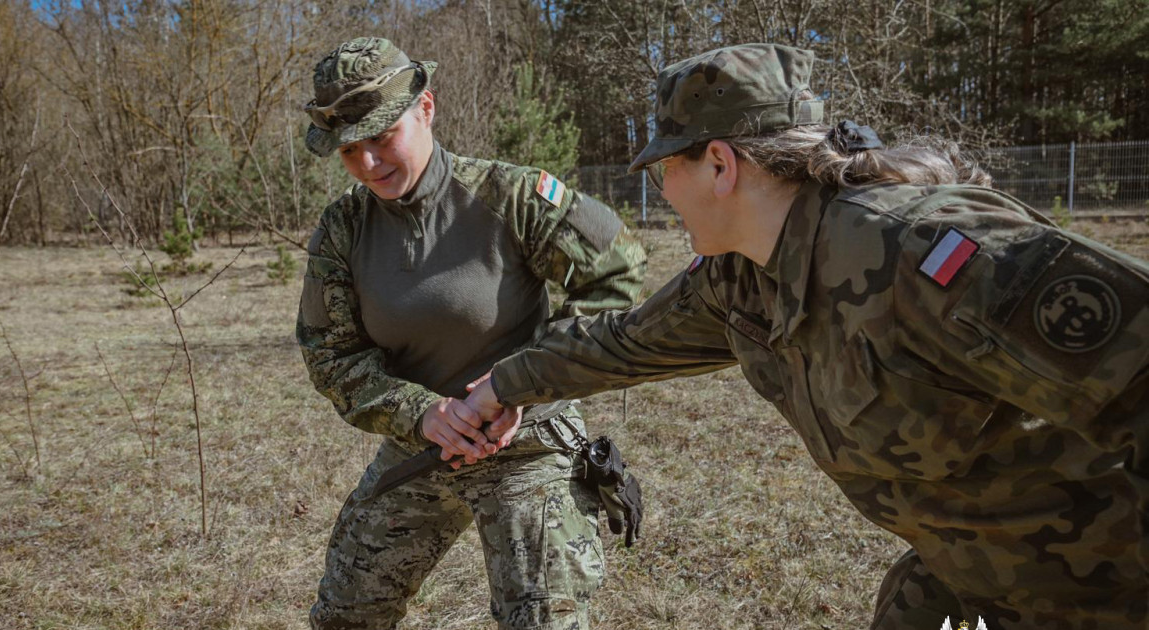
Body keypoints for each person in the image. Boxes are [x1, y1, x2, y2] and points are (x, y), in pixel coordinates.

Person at [467, 43, 1148, 629]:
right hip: (969, 572)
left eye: (663, 169)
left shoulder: (920, 254)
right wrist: (501, 385)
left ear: (720, 165)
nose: (661, 191)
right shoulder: (741, 279)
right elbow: (623, 343)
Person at [295, 37, 647, 630]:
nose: (369, 164)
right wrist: (423, 413)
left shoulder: (509, 196)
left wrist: (522, 383)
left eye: (382, 138)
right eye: (350, 150)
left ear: (425, 108)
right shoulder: (344, 228)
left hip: (527, 445)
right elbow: (331, 356)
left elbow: (618, 266)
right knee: (345, 616)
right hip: (420, 445)